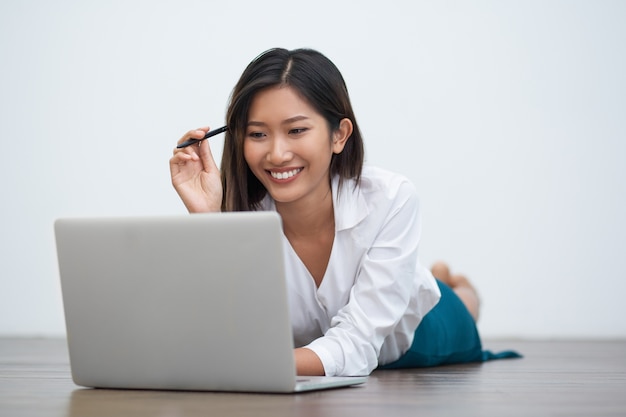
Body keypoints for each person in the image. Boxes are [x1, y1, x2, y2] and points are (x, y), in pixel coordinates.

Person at [169, 48, 518, 377]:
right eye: (258, 134)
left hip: (415, 333)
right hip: (307, 356)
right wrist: (209, 220)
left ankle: (458, 285)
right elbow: (232, 330)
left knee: (462, 306)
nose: (276, 154)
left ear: (339, 135)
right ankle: (440, 273)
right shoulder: (236, 212)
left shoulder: (391, 197)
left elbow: (358, 343)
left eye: (296, 130)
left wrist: (255, 364)